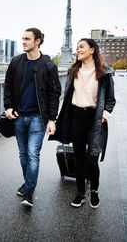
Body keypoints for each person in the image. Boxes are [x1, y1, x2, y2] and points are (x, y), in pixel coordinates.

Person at [49, 38, 116, 209]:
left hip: (94, 119)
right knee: (78, 158)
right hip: (77, 118)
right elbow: (68, 96)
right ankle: (80, 193)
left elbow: (110, 99)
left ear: (92, 50)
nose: (78, 50)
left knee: (92, 159)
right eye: (77, 47)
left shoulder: (105, 72)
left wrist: (106, 114)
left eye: (81, 47)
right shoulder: (74, 70)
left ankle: (94, 191)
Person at [4, 27, 61, 207]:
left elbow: (54, 94)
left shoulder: (49, 66)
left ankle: (29, 192)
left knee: (32, 154)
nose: (23, 42)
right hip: (19, 116)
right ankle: (28, 183)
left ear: (37, 41)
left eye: (27, 39)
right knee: (23, 155)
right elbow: (8, 85)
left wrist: (52, 119)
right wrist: (8, 107)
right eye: (22, 39)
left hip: (38, 118)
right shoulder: (16, 62)